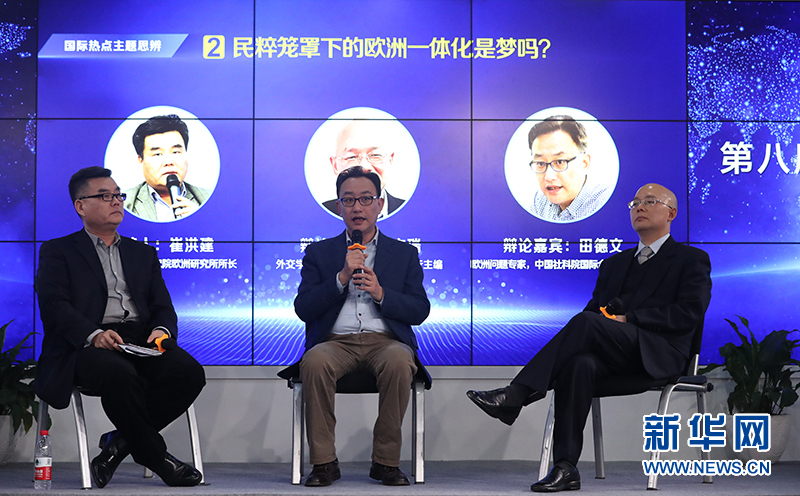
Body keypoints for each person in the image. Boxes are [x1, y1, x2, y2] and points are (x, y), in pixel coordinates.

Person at [467, 183, 711, 492]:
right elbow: (593, 314)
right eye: (635, 203)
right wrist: (612, 321)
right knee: (578, 363)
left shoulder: (690, 259)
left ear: (671, 213)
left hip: (660, 354)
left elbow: (689, 312)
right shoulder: (614, 264)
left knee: (586, 324)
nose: (639, 207)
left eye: (650, 201)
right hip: (617, 356)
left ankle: (518, 394)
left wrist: (630, 319)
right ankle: (565, 467)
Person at [35, 166, 206, 488]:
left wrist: (162, 330)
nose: (116, 201)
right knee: (119, 374)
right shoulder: (58, 251)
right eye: (105, 196)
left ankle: (118, 443)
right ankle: (158, 459)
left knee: (189, 373)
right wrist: (95, 334)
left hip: (140, 340)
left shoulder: (142, 253)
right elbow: (54, 306)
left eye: (118, 195)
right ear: (80, 206)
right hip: (86, 343)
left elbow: (162, 306)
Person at [294, 166, 430, 486]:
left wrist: (381, 293)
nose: (357, 207)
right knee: (314, 361)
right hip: (335, 342)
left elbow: (419, 310)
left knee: (400, 360)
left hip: (385, 341)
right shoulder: (319, 253)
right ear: (338, 206)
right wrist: (341, 278)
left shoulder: (404, 254)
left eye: (366, 199)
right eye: (349, 200)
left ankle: (385, 462)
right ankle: (324, 463)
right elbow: (304, 308)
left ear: (380, 204)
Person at [124, 114, 211, 222]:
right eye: (157, 154)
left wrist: (203, 221)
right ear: (141, 160)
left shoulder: (209, 200)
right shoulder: (123, 203)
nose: (169, 162)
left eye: (176, 152)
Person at [528, 115, 612, 222]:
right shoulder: (540, 200)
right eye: (540, 163)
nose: (548, 177)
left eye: (560, 162)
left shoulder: (605, 202)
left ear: (584, 163)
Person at [322, 119, 406, 217]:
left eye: (375, 155)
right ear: (335, 165)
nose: (365, 167)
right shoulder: (319, 215)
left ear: (390, 160)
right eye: (352, 157)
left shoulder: (411, 212)